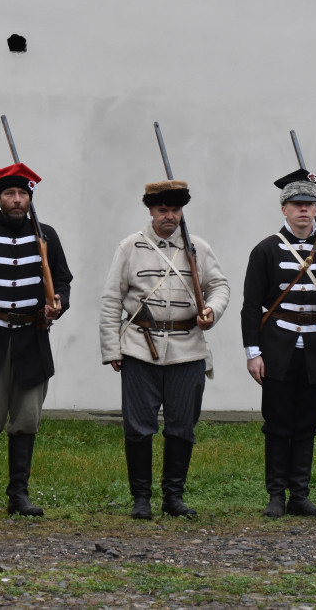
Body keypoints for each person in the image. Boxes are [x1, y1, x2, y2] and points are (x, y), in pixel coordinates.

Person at [100, 180, 230, 519]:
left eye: (175, 210)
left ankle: (173, 498)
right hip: (139, 348)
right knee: (139, 427)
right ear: (150, 210)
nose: (169, 216)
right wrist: (112, 348)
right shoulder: (130, 247)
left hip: (188, 348)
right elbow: (112, 298)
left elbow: (219, 286)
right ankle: (140, 499)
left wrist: (211, 311)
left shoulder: (198, 247)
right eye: (162, 210)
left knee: (182, 426)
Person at [0, 163, 72, 518]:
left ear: (29, 199)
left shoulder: (46, 236)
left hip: (32, 338)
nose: (16, 200)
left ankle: (18, 494)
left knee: (26, 418)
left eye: (22, 194)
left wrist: (58, 304)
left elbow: (63, 281)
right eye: (9, 194)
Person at [240, 169, 316, 519]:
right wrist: (253, 353)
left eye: (309, 204)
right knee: (277, 422)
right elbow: (251, 305)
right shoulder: (266, 249)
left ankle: (299, 496)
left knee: (308, 421)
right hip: (277, 346)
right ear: (284, 209)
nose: (303, 210)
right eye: (296, 204)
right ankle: (276, 495)